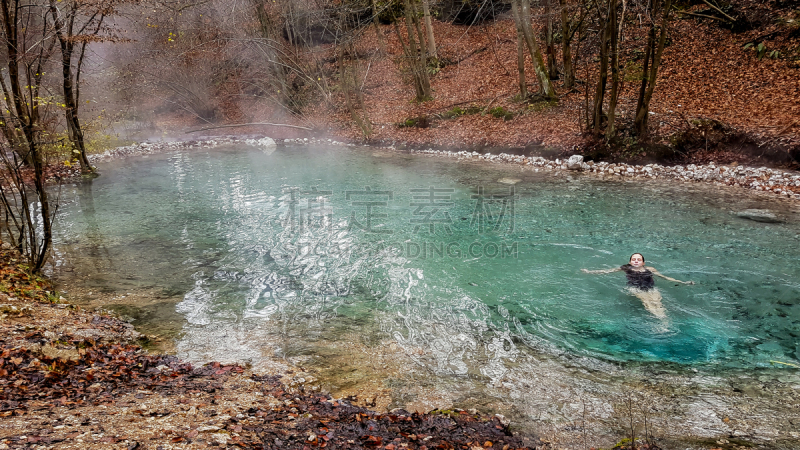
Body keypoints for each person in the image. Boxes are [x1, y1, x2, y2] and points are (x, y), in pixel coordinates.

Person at [581, 253, 694, 319]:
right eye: (633, 259)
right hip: (635, 288)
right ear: (630, 262)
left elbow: (665, 277)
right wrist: (589, 272)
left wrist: (683, 283)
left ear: (643, 263)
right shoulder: (625, 268)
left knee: (657, 302)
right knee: (647, 303)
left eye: (639, 260)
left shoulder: (650, 269)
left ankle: (664, 320)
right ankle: (659, 321)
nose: (636, 261)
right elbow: (607, 271)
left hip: (650, 288)